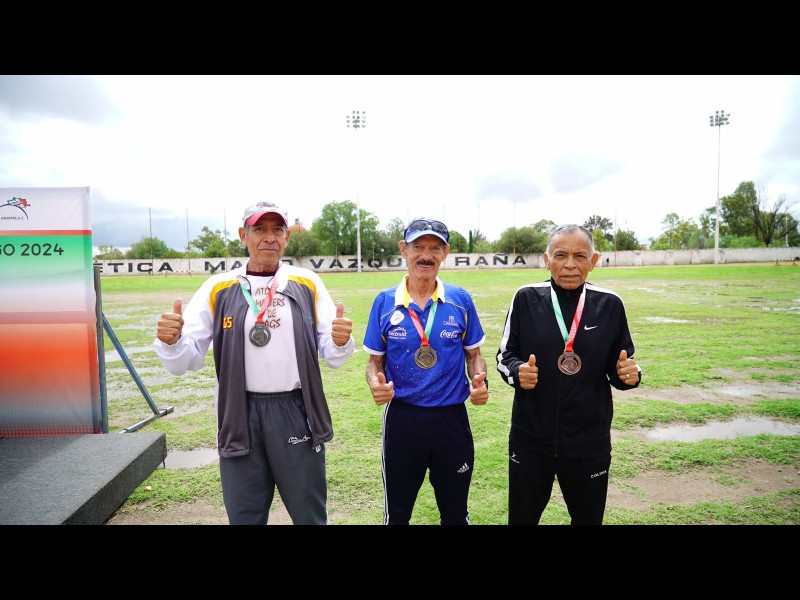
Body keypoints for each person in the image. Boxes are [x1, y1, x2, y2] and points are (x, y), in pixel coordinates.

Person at [153, 201, 355, 525]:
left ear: (287, 237)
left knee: (310, 516)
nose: (269, 237)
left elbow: (332, 354)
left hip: (296, 411)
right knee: (245, 517)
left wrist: (341, 341)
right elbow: (184, 361)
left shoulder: (307, 282)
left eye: (277, 229)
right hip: (239, 414)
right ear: (243, 235)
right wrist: (172, 341)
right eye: (260, 229)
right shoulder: (219, 287)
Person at [496, 223, 641, 525]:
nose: (570, 265)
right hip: (530, 439)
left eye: (580, 256)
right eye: (560, 255)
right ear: (546, 259)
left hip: (588, 442)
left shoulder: (609, 304)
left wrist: (628, 375)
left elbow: (621, 365)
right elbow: (504, 356)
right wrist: (518, 372)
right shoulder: (525, 298)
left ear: (594, 261)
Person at [363, 217, 489, 525]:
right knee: (397, 515)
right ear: (404, 249)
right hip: (403, 419)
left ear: (445, 253)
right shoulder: (384, 302)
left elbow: (474, 355)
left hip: (451, 419)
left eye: (435, 248)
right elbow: (374, 362)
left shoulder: (460, 300)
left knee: (455, 514)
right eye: (418, 246)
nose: (426, 255)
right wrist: (375, 383)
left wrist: (478, 379)